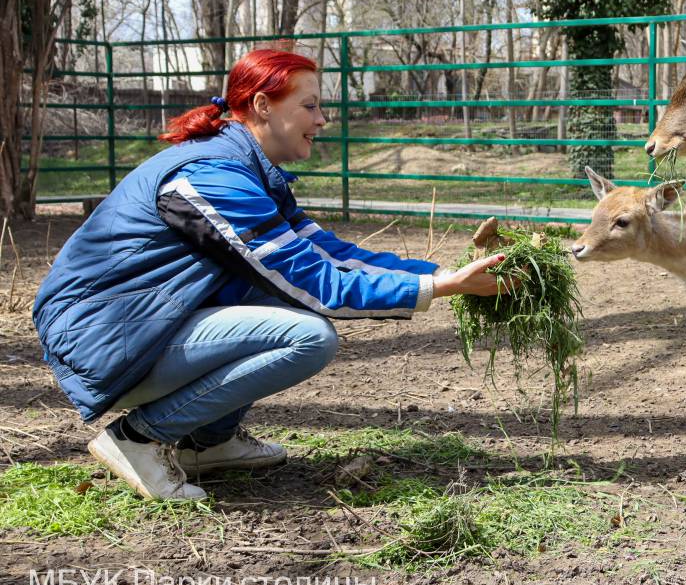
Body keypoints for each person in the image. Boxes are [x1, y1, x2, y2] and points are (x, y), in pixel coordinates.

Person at [33, 48, 510, 501]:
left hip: (138, 325)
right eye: (310, 105)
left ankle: (208, 444)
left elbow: (327, 254)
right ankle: (138, 438)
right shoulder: (212, 178)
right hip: (101, 336)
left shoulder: (249, 173)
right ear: (262, 105)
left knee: (276, 298)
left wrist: (442, 273)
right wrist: (440, 288)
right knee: (308, 335)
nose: (322, 120)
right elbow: (316, 284)